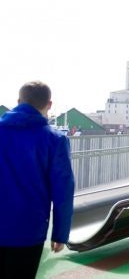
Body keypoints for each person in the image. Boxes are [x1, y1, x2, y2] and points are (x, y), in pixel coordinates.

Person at [0, 81, 75, 278]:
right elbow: (63, 191)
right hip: (28, 231)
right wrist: (60, 233)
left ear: (18, 102)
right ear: (49, 104)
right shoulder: (55, 140)